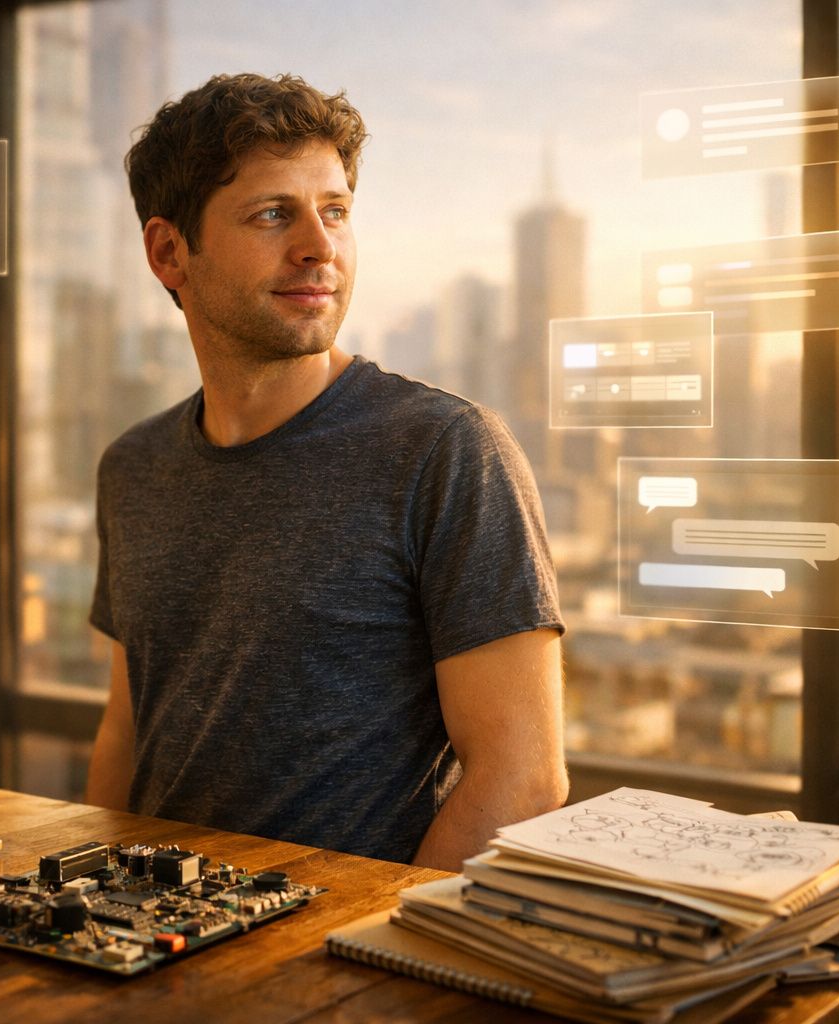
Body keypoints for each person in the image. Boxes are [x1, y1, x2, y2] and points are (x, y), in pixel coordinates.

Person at [83, 72, 567, 870]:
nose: (320, 246)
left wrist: (367, 964)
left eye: (335, 210)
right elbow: (128, 733)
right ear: (170, 252)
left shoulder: (447, 450)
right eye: (274, 213)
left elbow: (522, 781)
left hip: (347, 975)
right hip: (156, 954)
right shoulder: (133, 467)